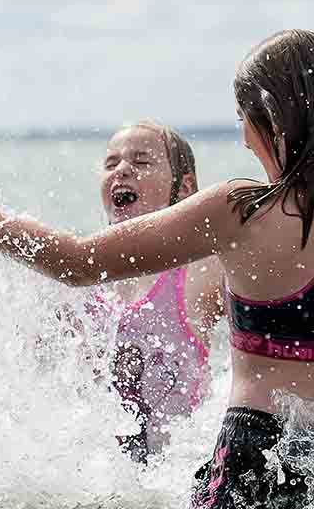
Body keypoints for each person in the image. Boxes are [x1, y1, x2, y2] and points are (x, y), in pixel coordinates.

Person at [0, 31, 314, 509]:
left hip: (261, 456)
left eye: (243, 119)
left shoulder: (243, 210)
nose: (243, 140)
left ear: (272, 119)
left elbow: (76, 262)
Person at [81, 121, 224, 463]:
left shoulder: (200, 270)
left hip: (177, 470)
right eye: (111, 163)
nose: (122, 170)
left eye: (141, 161)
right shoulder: (83, 277)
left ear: (184, 187)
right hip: (103, 474)